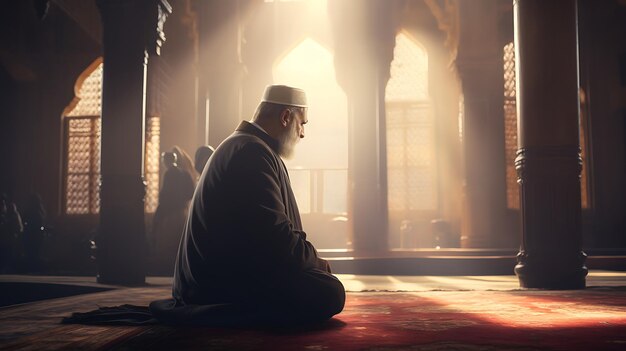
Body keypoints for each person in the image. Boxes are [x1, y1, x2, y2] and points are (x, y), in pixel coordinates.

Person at [151, 85, 345, 326]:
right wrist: (315, 262)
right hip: (214, 288)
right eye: (302, 123)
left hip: (219, 276)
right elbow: (274, 238)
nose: (303, 133)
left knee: (319, 284)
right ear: (285, 117)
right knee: (329, 292)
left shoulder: (250, 146)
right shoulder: (251, 152)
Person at [152, 151, 195, 268]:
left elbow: (165, 194)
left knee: (167, 240)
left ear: (166, 161)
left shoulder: (169, 174)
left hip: (170, 211)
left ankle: (167, 266)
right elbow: (191, 192)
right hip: (182, 210)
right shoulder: (185, 173)